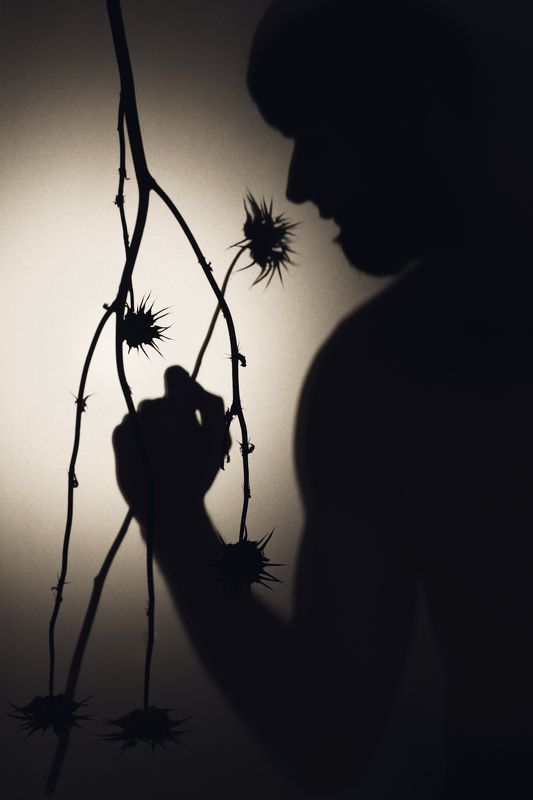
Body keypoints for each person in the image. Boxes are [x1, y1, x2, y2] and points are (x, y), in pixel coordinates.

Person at [113, 1, 533, 796]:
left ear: (409, 99)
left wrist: (172, 517)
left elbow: (322, 731)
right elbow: (324, 731)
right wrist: (175, 519)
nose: (297, 184)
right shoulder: (374, 380)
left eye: (318, 126)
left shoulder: (381, 379)